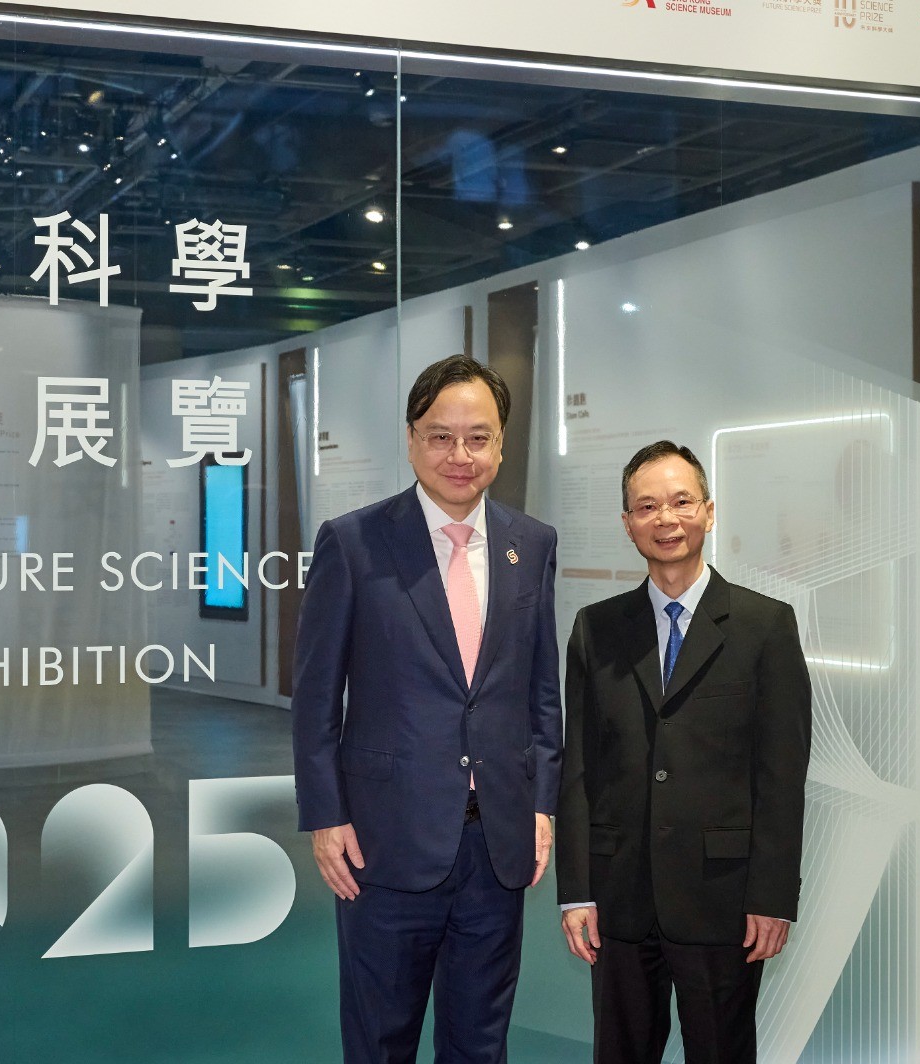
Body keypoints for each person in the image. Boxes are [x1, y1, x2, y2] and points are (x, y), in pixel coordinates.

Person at [293, 355, 563, 1064]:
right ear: (412, 440)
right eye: (441, 436)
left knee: (480, 1043)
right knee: (381, 1040)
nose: (460, 455)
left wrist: (542, 803)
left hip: (496, 843)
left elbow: (540, 689)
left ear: (501, 445)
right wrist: (325, 816)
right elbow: (316, 697)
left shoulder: (531, 544)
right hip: (385, 842)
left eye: (478, 437)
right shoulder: (353, 542)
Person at [556, 440, 811, 1064]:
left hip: (723, 899)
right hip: (620, 898)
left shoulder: (765, 626)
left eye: (681, 502)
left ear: (709, 512)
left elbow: (782, 774)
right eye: (646, 506)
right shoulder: (596, 628)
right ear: (627, 523)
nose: (665, 519)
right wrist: (577, 891)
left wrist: (772, 896)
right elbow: (579, 767)